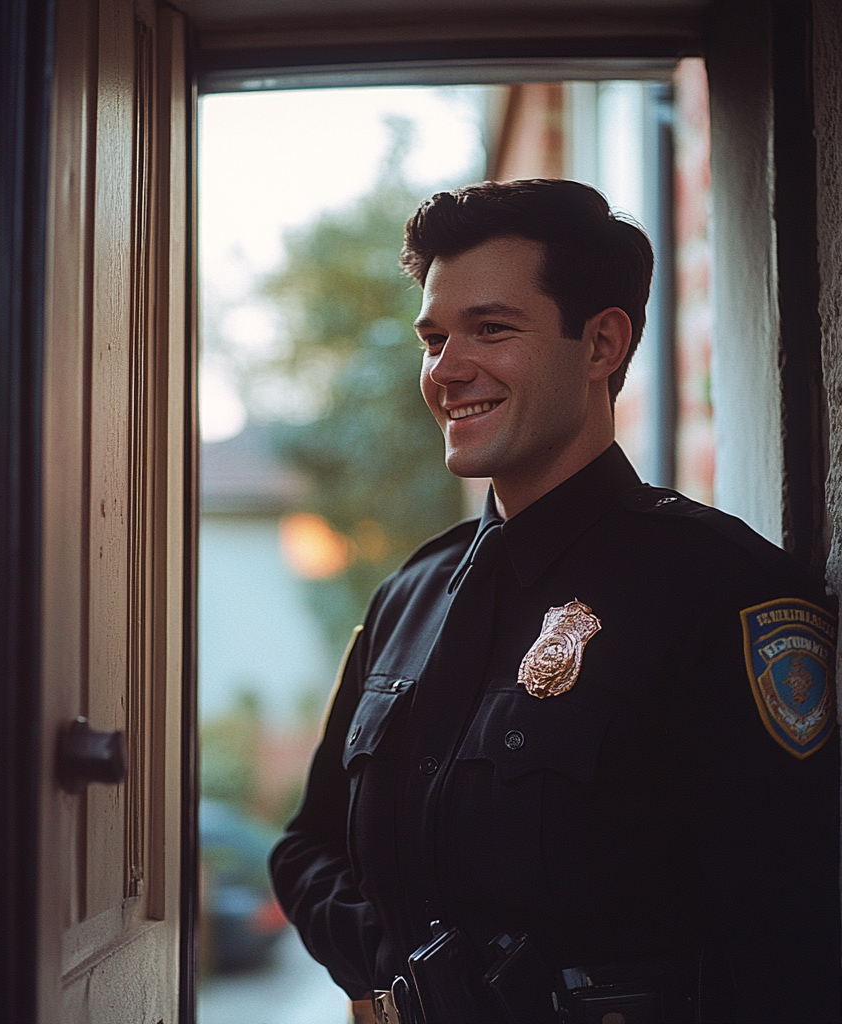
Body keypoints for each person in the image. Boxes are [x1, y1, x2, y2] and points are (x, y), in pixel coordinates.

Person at [269, 179, 841, 1024]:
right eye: (433, 337)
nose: (446, 369)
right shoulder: (407, 597)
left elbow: (792, 943)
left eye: (490, 329)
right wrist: (411, 975)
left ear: (602, 342)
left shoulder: (724, 593)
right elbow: (307, 847)